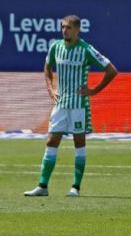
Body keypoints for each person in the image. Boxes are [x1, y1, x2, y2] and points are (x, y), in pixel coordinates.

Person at [24, 15, 117, 197]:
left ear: (76, 30)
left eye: (68, 27)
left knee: (79, 143)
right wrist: (51, 88)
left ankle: (75, 187)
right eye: (63, 27)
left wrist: (94, 90)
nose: (64, 30)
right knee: (51, 140)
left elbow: (111, 70)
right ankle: (43, 186)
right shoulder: (55, 47)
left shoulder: (86, 49)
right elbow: (47, 68)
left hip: (78, 105)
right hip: (60, 103)